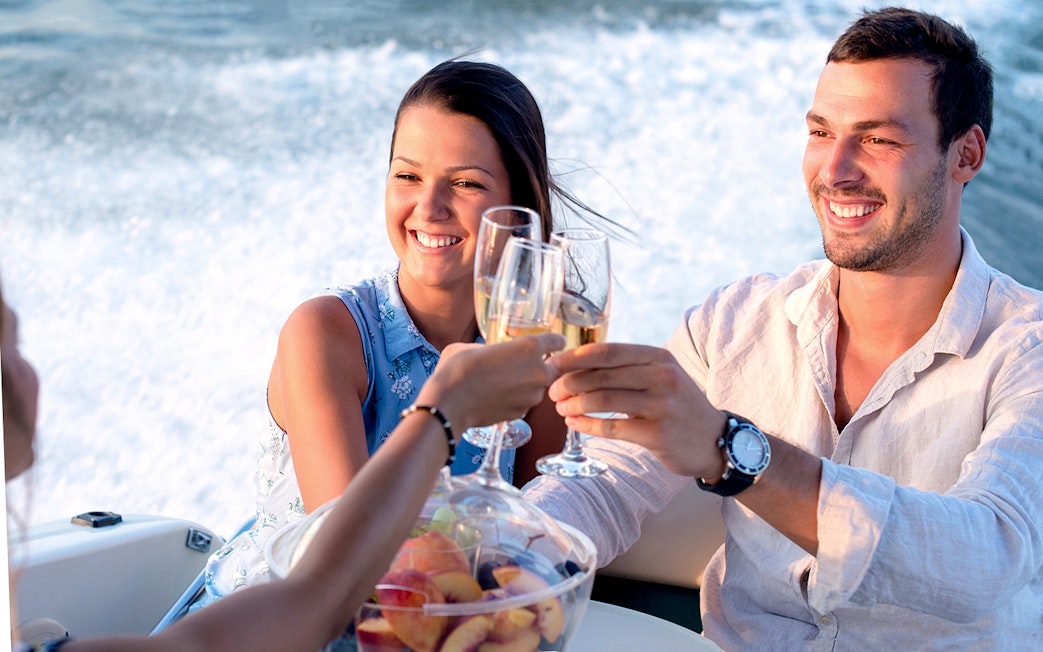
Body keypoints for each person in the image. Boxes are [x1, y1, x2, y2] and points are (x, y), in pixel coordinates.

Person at [524, 6, 1043, 648]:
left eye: (879, 140)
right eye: (822, 132)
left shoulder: (1028, 349)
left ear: (966, 154)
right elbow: (605, 482)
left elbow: (984, 560)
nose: (836, 169)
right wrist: (499, 562)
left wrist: (731, 450)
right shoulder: (733, 322)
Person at [203, 59, 608, 602]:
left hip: (441, 623)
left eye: (465, 183)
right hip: (288, 619)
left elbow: (536, 539)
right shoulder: (325, 334)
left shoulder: (535, 344)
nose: (429, 206)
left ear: (518, 208)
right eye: (407, 176)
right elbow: (341, 557)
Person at [2, 274, 566, 650]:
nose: (31, 372)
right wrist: (443, 413)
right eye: (14, 348)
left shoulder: (540, 345)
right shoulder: (328, 329)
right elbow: (328, 592)